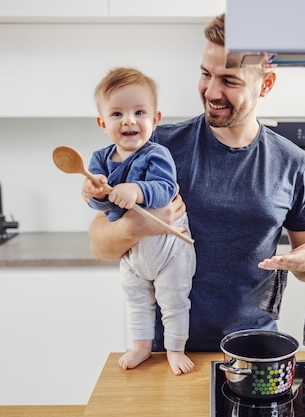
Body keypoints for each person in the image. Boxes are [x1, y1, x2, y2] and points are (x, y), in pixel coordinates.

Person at [84, 14, 305, 353]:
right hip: (166, 348)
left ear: (266, 84)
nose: (211, 91)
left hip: (253, 347)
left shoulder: (293, 163)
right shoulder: (156, 147)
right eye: (205, 74)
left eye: (229, 80)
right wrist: (135, 226)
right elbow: (99, 244)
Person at [83, 67, 196, 375]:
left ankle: (174, 348)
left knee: (173, 300)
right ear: (102, 123)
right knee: (136, 301)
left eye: (139, 112)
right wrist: (92, 193)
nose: (129, 120)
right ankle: (142, 346)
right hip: (132, 251)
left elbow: (165, 189)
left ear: (155, 119)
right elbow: (102, 205)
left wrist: (136, 189)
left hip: (168, 246)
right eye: (117, 113)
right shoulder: (99, 160)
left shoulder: (156, 154)